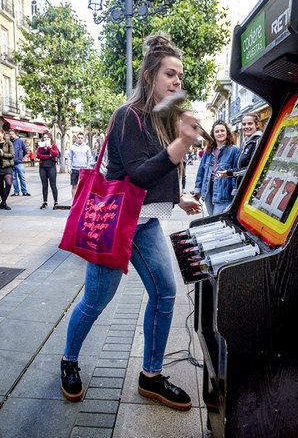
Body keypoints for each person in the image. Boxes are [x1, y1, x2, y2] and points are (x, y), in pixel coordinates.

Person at [60, 34, 202, 410]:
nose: (177, 83)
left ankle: (151, 376)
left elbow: (158, 176)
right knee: (95, 301)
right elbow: (138, 174)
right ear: (150, 74)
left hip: (147, 223)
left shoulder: (161, 118)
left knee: (165, 293)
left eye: (180, 77)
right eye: (170, 75)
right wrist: (182, 144)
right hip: (115, 224)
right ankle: (68, 360)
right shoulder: (128, 116)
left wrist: (179, 197)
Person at [193, 119, 240, 216]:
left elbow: (236, 171)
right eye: (217, 131)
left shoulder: (234, 150)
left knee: (217, 218)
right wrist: (197, 189)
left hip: (224, 193)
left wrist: (235, 191)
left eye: (222, 131)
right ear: (213, 134)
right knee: (211, 217)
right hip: (208, 191)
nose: (220, 133)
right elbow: (201, 170)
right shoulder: (209, 150)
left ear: (227, 132)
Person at [217, 113, 263, 189]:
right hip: (242, 185)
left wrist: (229, 173)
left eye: (250, 123)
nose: (246, 126)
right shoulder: (246, 141)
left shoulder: (257, 140)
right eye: (244, 124)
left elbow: (254, 167)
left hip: (251, 187)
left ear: (257, 124)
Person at [0, 129, 15, 210]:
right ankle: (4, 203)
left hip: (7, 167)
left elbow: (12, 155)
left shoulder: (8, 143)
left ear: (3, 134)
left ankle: (3, 202)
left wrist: (3, 154)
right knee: (0, 186)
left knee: (8, 184)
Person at [66, 132, 93, 198]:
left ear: (83, 139)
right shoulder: (72, 147)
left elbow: (89, 158)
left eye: (81, 138)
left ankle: (82, 202)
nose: (80, 139)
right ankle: (73, 202)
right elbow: (69, 158)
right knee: (74, 186)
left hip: (83, 169)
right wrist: (69, 168)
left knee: (83, 187)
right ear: (76, 138)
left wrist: (88, 168)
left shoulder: (87, 147)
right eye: (79, 138)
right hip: (74, 169)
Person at [36, 131, 60, 209]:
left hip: (51, 167)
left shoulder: (53, 146)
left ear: (50, 138)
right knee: (44, 185)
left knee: (53, 185)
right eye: (44, 137)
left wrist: (49, 148)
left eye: (47, 137)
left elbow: (55, 154)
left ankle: (56, 202)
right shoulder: (41, 147)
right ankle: (45, 202)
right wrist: (48, 156)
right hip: (43, 167)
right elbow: (38, 156)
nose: (45, 139)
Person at [8, 130, 30, 196]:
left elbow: (26, 152)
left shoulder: (20, 141)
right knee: (14, 178)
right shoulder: (9, 142)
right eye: (10, 134)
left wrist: (22, 158)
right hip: (11, 163)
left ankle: (25, 191)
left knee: (22, 177)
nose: (11, 135)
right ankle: (16, 192)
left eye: (12, 134)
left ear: (15, 134)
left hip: (19, 163)